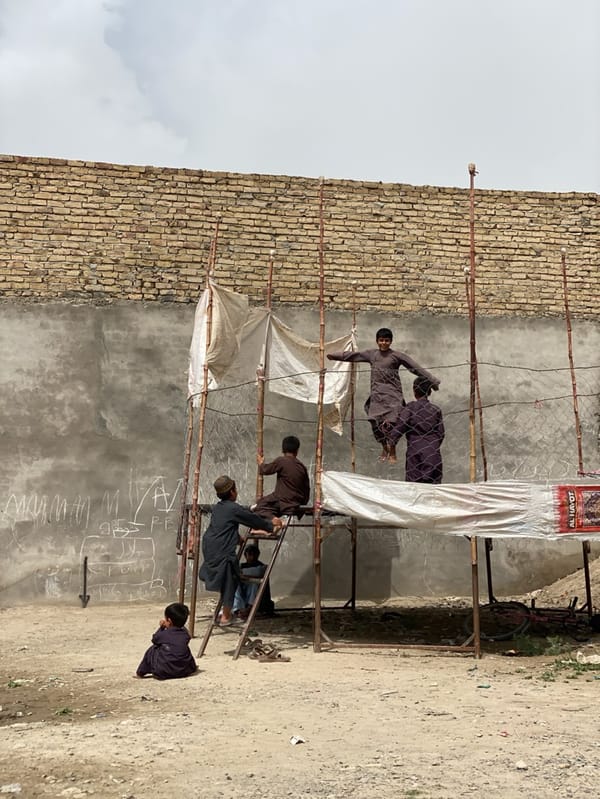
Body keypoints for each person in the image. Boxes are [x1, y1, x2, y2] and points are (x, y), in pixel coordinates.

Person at [327, 327, 440, 464]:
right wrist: (333, 355)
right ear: (377, 341)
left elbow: (415, 368)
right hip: (377, 396)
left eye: (386, 340)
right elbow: (353, 356)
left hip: (393, 396)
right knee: (374, 421)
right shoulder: (372, 355)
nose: (384, 343)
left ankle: (392, 448)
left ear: (391, 341)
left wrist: (433, 381)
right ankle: (384, 447)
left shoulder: (397, 356)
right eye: (381, 340)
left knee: (393, 423)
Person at [199, 475, 282, 626]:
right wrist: (272, 525)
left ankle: (228, 611)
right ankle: (226, 617)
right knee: (230, 580)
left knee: (226, 578)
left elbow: (224, 527)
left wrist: (237, 538)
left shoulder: (219, 508)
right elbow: (253, 520)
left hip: (210, 545)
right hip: (222, 550)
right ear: (232, 492)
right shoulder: (233, 509)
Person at [391, 376, 445, 483]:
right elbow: (441, 434)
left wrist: (391, 445)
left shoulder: (410, 408)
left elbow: (400, 427)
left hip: (415, 454)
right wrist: (432, 446)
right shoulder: (435, 410)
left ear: (414, 391)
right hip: (433, 454)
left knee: (414, 487)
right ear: (429, 392)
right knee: (433, 488)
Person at [135, 602, 197, 680]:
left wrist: (161, 628)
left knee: (153, 649)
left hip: (163, 672)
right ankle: (192, 667)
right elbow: (179, 633)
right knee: (184, 649)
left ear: (169, 620)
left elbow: (155, 639)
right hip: (183, 671)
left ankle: (141, 672)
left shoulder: (164, 634)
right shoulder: (185, 635)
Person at [254, 435, 310, 519]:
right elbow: (307, 489)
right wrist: (302, 503)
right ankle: (274, 521)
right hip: (296, 503)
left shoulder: (281, 461)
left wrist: (261, 463)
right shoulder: (302, 467)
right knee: (268, 507)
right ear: (297, 450)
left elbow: (265, 470)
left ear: (283, 449)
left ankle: (274, 520)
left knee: (259, 506)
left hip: (282, 501)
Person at [232, 543, 275, 619]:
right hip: (244, 595)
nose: (251, 557)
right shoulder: (242, 565)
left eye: (253, 554)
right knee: (235, 584)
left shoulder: (261, 567)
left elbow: (258, 572)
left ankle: (250, 608)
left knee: (254, 583)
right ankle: (238, 609)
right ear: (245, 555)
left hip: (257, 598)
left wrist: (241, 572)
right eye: (249, 554)